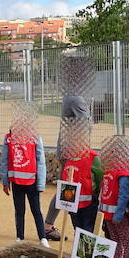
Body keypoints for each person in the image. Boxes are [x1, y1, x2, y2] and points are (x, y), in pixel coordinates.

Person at [42, 93, 90, 243]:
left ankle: (48, 226)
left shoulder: (71, 95)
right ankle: (77, 229)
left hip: (68, 149)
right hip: (74, 152)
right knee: (71, 190)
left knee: (66, 189)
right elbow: (85, 125)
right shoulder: (76, 97)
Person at [3, 126, 48, 246]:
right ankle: (20, 237)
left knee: (36, 210)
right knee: (19, 210)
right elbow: (5, 160)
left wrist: (41, 184)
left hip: (32, 182)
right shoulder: (9, 138)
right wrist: (5, 181)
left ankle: (43, 237)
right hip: (16, 181)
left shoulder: (35, 137)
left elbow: (41, 160)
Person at [98, 144, 129, 258]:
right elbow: (103, 192)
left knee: (125, 239)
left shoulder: (123, 174)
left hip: (119, 215)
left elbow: (123, 196)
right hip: (107, 214)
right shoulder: (108, 172)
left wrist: (118, 215)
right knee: (114, 238)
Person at [59, 136, 99, 233]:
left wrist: (96, 195)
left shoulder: (93, 156)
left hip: (89, 202)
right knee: (77, 230)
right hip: (73, 203)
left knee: (87, 231)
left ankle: (86, 249)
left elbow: (99, 178)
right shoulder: (69, 157)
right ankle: (80, 248)